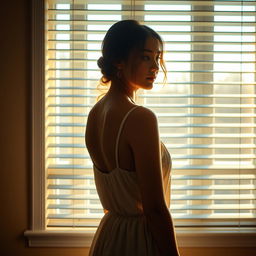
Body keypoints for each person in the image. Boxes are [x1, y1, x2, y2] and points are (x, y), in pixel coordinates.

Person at [85, 20, 180, 256]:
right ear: (119, 60)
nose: (156, 67)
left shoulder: (96, 113)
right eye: (147, 57)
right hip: (140, 240)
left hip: (110, 237)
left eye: (158, 58)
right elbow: (155, 209)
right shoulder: (140, 118)